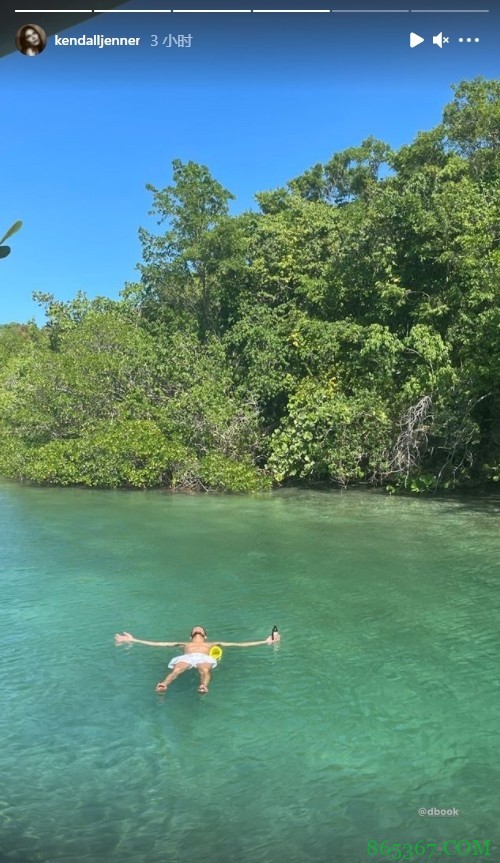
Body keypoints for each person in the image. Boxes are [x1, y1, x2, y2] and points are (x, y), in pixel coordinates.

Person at [114, 624, 280, 694]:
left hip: (203, 657)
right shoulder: (184, 643)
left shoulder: (213, 643)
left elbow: (240, 645)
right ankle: (164, 684)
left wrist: (265, 642)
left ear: (205, 635)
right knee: (177, 668)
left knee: (204, 668)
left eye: (200, 630)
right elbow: (159, 644)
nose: (198, 630)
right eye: (195, 630)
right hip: (186, 656)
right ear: (191, 635)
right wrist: (133, 640)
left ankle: (203, 686)